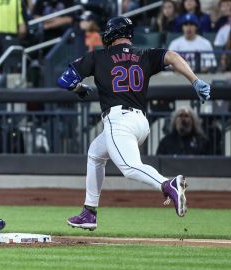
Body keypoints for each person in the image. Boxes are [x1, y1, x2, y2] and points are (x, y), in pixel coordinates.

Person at [57, 16, 211, 230]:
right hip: (141, 123)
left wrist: (79, 89)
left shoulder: (99, 56)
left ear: (111, 34)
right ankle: (89, 212)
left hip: (118, 120)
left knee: (129, 168)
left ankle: (168, 184)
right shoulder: (144, 55)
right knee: (95, 154)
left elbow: (65, 80)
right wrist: (195, 80)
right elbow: (174, 56)